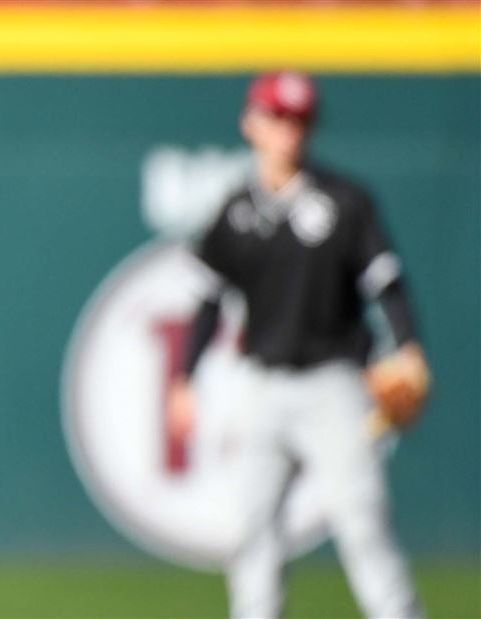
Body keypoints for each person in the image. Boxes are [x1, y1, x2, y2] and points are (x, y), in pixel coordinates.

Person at [166, 71, 430, 619]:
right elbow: (209, 300)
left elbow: (386, 283)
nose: (289, 128)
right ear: (251, 123)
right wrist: (184, 379)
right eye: (277, 116)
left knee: (362, 522)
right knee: (252, 527)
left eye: (299, 118)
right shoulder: (236, 210)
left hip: (333, 384)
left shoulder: (345, 202)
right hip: (263, 384)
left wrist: (408, 346)